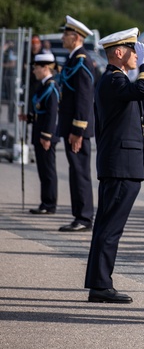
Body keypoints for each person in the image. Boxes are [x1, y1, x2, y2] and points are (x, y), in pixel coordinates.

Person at [84, 28, 144, 303]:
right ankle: (101, 285)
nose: (137, 55)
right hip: (121, 166)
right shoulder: (114, 80)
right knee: (110, 227)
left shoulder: (115, 80)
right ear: (119, 52)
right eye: (133, 50)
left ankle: (98, 282)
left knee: (106, 225)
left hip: (119, 164)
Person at [57, 15, 96, 232]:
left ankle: (84, 217)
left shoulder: (82, 60)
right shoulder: (74, 58)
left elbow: (84, 96)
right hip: (72, 125)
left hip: (77, 127)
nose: (63, 37)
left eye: (66, 34)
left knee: (80, 171)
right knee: (75, 170)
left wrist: (78, 129)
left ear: (76, 37)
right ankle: (79, 215)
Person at [27, 51, 60, 215]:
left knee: (48, 170)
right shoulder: (43, 85)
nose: (34, 71)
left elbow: (52, 114)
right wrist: (28, 116)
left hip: (46, 135)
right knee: (42, 169)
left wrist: (46, 135)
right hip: (39, 132)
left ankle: (50, 203)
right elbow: (40, 109)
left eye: (36, 68)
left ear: (45, 68)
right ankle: (45, 202)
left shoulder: (51, 87)